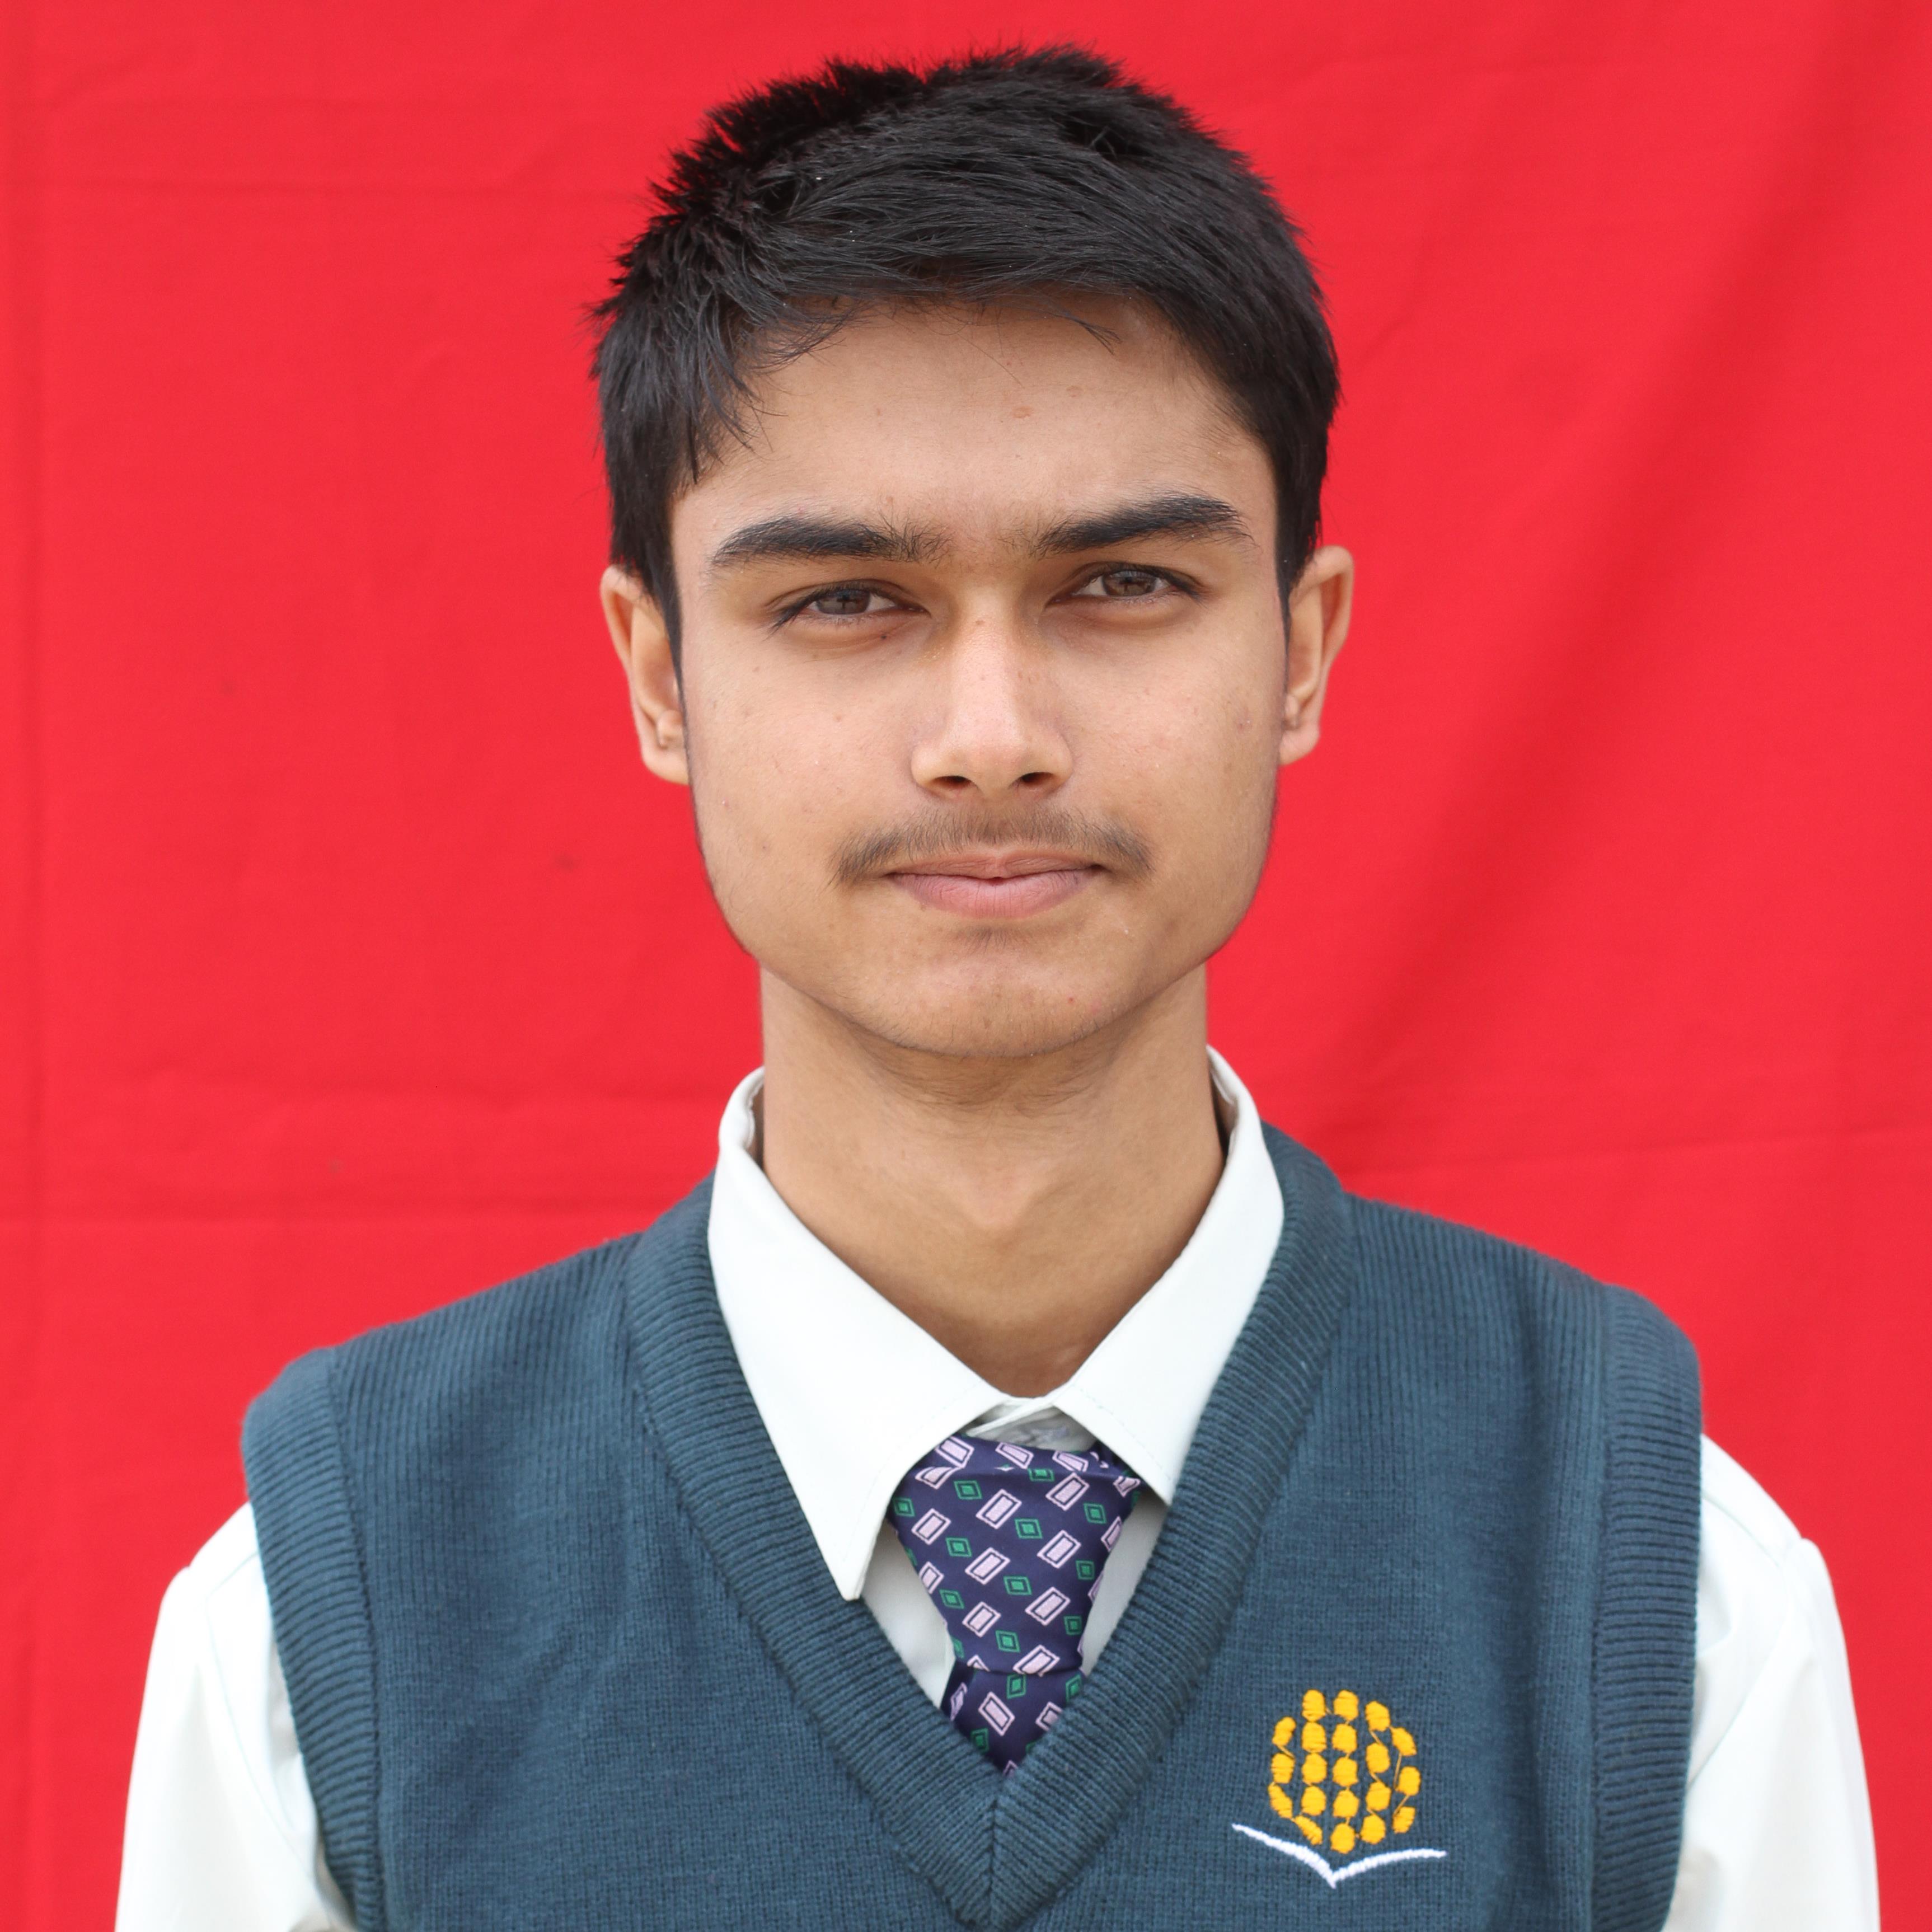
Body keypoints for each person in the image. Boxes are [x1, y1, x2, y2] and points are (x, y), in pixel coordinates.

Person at [115, 48, 1877, 1931]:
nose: (989, 733)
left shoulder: (1656, 1577)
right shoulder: (330, 1610)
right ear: (657, 674)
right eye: (844, 600)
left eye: (1119, 584)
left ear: (1299, 649)